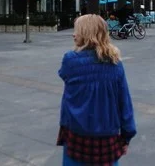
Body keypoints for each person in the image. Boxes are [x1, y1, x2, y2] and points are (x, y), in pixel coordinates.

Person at [57, 15, 136, 165]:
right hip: (107, 136)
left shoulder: (70, 60)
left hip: (76, 135)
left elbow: (64, 75)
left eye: (77, 30)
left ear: (87, 33)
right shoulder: (115, 63)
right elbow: (124, 101)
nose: (73, 34)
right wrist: (127, 135)